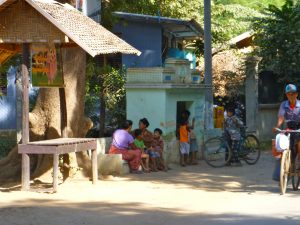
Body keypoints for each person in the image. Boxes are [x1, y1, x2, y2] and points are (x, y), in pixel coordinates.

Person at [272, 84, 300, 180]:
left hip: (299, 127)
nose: (290, 96)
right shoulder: (284, 104)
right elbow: (281, 117)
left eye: (292, 94)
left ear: (296, 94)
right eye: (288, 94)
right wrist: (277, 126)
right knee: (280, 145)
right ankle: (281, 172)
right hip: (289, 128)